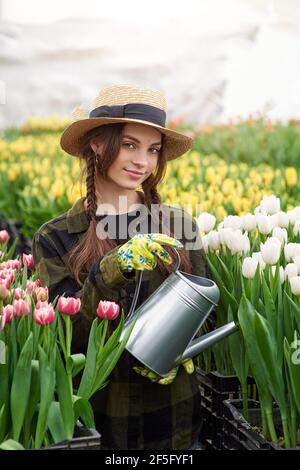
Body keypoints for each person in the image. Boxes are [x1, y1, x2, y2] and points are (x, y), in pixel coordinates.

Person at [32, 84, 210, 450]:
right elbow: (67, 339)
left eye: (153, 149)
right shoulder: (57, 237)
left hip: (175, 421)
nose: (142, 161)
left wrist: (181, 348)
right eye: (129, 144)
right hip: (102, 424)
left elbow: (206, 314)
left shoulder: (178, 226)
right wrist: (110, 271)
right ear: (98, 143)